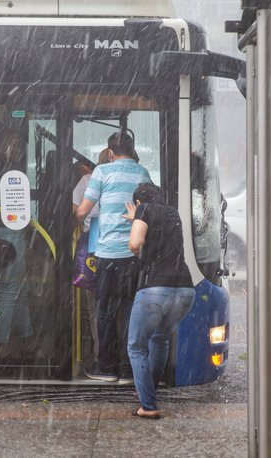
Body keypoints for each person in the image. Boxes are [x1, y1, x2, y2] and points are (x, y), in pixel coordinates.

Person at [75, 132, 151, 382]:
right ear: (133, 149)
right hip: (133, 253)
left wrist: (76, 212)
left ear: (110, 152)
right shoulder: (141, 173)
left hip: (107, 253)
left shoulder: (102, 172)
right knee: (130, 310)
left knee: (105, 310)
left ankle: (106, 367)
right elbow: (149, 208)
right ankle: (128, 367)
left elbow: (84, 210)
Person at [123, 182, 194, 419]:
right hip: (185, 290)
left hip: (155, 289)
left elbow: (135, 242)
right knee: (160, 339)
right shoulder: (173, 213)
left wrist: (136, 223)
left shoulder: (144, 210)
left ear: (140, 202)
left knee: (136, 346)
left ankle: (149, 405)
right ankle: (149, 392)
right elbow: (158, 231)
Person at [0, 123, 33, 347]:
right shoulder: (9, 170)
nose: (18, 150)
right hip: (10, 234)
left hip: (1, 233)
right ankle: (1, 343)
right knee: (9, 291)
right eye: (13, 145)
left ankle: (26, 335)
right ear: (2, 146)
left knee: (20, 289)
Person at [72, 148, 113, 369]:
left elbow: (76, 211)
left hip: (93, 247)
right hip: (122, 249)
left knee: (96, 304)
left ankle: (101, 357)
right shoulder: (132, 177)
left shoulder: (88, 180)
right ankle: (118, 356)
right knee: (117, 302)